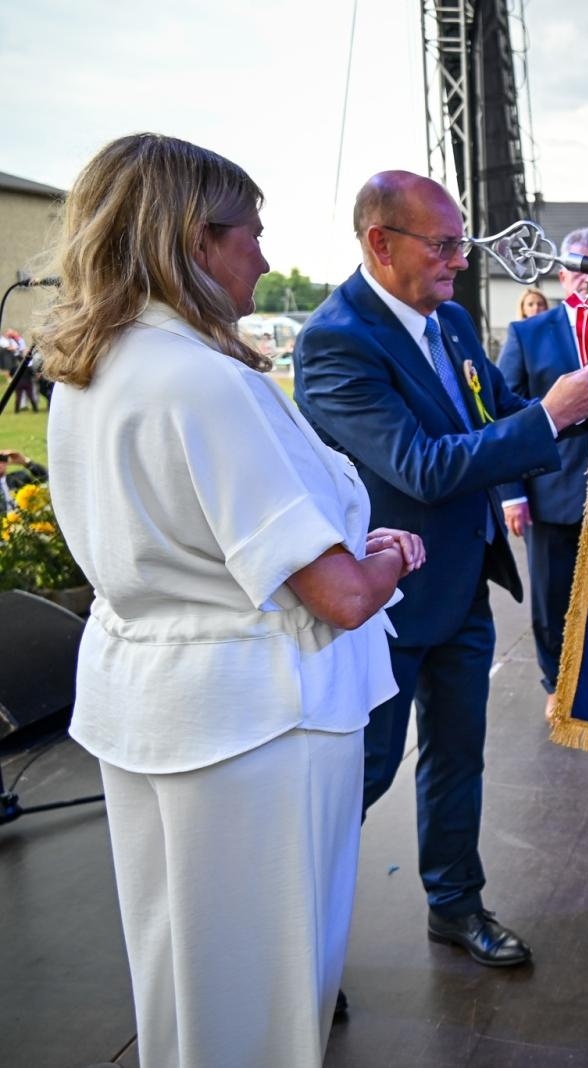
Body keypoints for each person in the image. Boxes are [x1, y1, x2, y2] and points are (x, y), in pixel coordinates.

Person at [38, 133, 422, 1068]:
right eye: (250, 233)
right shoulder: (204, 383)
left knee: (184, 973)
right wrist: (390, 559)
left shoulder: (97, 367)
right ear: (193, 240)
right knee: (269, 992)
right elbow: (333, 595)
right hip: (259, 721)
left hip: (157, 703)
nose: (261, 253)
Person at [295, 171, 588, 969]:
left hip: (462, 584)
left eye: (460, 244)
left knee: (457, 756)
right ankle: (298, 945)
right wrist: (551, 414)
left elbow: (497, 410)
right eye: (442, 245)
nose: (459, 261)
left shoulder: (454, 322)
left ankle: (455, 904)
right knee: (358, 778)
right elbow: (422, 466)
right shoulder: (337, 342)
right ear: (380, 242)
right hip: (380, 600)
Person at [497, 226, 588, 719]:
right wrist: (511, 494)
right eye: (580, 269)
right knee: (551, 598)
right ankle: (556, 683)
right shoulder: (528, 334)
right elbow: (503, 416)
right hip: (550, 489)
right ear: (563, 274)